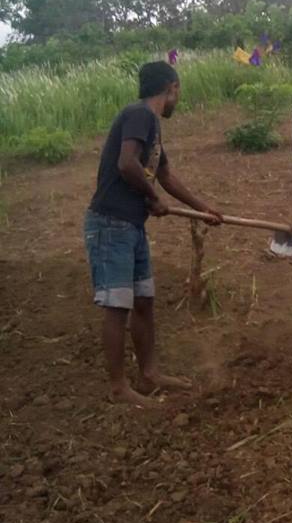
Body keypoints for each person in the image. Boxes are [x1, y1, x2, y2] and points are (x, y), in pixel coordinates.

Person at [84, 61, 222, 408]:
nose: (178, 98)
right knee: (118, 306)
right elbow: (126, 163)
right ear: (172, 87)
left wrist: (204, 209)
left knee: (144, 301)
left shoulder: (153, 128)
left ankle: (150, 374)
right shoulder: (139, 115)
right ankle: (119, 388)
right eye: (178, 92)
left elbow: (166, 176)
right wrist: (152, 198)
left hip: (131, 225)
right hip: (110, 223)